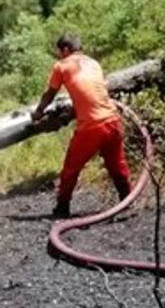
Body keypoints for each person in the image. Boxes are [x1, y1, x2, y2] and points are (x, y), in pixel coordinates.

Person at [31, 34, 132, 217]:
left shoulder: (62, 65)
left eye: (60, 52)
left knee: (71, 168)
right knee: (117, 165)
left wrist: (38, 113)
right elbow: (91, 94)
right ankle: (127, 200)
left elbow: (50, 94)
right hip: (112, 120)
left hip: (92, 127)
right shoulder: (93, 63)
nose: (59, 56)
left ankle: (62, 208)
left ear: (66, 50)